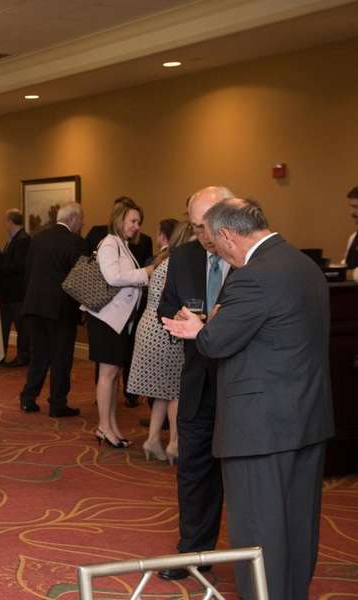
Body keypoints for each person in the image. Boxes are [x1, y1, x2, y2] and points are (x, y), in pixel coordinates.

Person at [163, 198, 334, 600]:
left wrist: (199, 331)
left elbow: (216, 342)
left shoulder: (252, 276)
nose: (218, 254)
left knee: (259, 531)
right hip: (306, 417)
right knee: (297, 525)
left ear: (227, 235)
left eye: (214, 243)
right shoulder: (303, 264)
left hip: (260, 427)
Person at [155, 185, 234, 580]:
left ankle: (254, 556)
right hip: (197, 381)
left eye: (205, 227)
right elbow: (166, 307)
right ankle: (192, 553)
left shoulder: (248, 258)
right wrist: (183, 321)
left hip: (239, 385)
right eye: (195, 226)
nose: (201, 235)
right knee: (193, 471)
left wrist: (214, 325)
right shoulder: (184, 257)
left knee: (240, 476)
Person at [83, 201, 152, 448]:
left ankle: (111, 425)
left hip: (117, 319)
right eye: (132, 221)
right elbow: (113, 277)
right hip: (105, 319)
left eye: (138, 222)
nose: (136, 226)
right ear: (120, 219)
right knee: (108, 374)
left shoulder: (122, 244)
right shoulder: (110, 243)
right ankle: (103, 426)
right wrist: (147, 272)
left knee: (113, 375)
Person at [126, 219, 189, 464]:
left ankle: (153, 440)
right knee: (176, 390)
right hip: (164, 329)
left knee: (163, 390)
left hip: (150, 326)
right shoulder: (178, 265)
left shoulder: (163, 259)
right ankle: (175, 443)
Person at [18, 203, 86, 417]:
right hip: (60, 309)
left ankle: (28, 398)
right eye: (81, 220)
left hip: (34, 305)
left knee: (38, 355)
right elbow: (80, 279)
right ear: (73, 219)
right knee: (61, 358)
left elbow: (28, 272)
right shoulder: (75, 242)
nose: (82, 224)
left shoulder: (37, 238)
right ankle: (57, 403)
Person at [0, 209, 31, 367]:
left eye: (5, 221)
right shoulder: (13, 239)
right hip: (8, 293)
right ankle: (1, 356)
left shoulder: (23, 240)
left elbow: (19, 266)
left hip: (17, 293)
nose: (4, 224)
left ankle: (23, 357)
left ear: (10, 221)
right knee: (4, 327)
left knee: (22, 328)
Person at [343, 186, 358, 281]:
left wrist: (350, 274)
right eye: (351, 207)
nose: (351, 213)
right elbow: (346, 264)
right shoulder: (353, 237)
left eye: (356, 207)